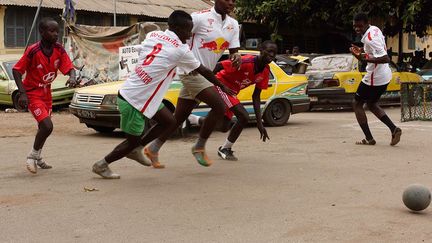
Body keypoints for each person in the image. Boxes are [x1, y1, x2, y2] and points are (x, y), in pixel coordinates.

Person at [92, 10, 234, 179]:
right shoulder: (180, 50)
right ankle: (102, 164)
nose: (189, 36)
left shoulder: (154, 35)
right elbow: (203, 70)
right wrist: (222, 86)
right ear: (175, 28)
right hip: (134, 100)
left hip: (139, 94)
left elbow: (148, 49)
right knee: (131, 143)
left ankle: (141, 148)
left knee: (170, 121)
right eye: (187, 30)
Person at [145, 0, 241, 167]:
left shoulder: (233, 24)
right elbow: (174, 35)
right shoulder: (199, 18)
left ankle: (152, 148)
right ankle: (199, 147)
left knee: (177, 118)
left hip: (206, 73)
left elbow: (233, 50)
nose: (231, 3)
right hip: (191, 71)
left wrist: (236, 56)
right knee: (219, 106)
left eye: (234, 0)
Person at [12, 17, 77, 174]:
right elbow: (16, 70)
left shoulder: (59, 50)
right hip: (33, 93)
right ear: (42, 32)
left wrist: (72, 76)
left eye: (57, 31)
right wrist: (22, 94)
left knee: (43, 127)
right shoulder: (33, 51)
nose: (56, 34)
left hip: (47, 93)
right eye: (52, 31)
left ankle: (39, 158)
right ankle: (31, 156)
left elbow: (69, 67)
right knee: (48, 126)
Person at [213, 40, 277, 160]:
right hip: (221, 84)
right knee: (243, 116)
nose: (272, 55)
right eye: (269, 52)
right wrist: (209, 85)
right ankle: (226, 149)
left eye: (275, 53)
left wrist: (260, 123)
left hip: (232, 93)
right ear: (261, 51)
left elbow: (256, 96)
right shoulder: (246, 61)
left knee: (223, 127)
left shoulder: (265, 71)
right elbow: (218, 66)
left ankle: (195, 120)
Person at [350, 13, 402, 146]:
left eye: (359, 26)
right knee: (371, 104)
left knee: (357, 103)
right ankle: (393, 129)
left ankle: (369, 139)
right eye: (355, 26)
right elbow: (375, 50)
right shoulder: (375, 29)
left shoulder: (369, 38)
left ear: (367, 23)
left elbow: (385, 58)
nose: (357, 29)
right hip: (385, 76)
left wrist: (363, 58)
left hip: (374, 76)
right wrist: (362, 50)